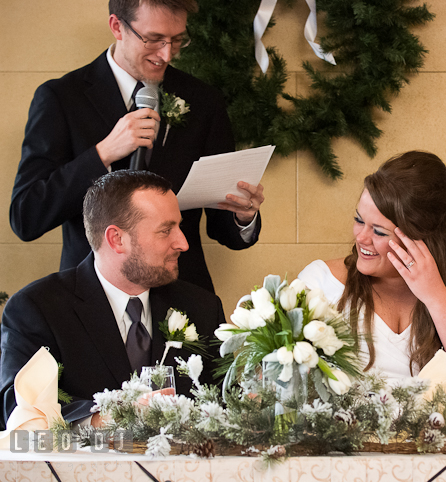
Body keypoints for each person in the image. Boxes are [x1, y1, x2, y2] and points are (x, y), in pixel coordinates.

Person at [9, 0, 264, 294]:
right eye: (154, 39)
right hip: (89, 302)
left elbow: (224, 229)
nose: (167, 54)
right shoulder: (61, 98)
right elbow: (27, 216)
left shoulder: (204, 101)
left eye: (177, 40)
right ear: (117, 26)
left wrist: (243, 216)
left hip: (184, 297)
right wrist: (103, 153)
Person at [0, 170, 226, 429]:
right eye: (166, 231)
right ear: (116, 239)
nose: (183, 243)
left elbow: (223, 401)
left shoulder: (202, 307)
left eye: (179, 226)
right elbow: (18, 409)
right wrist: (104, 419)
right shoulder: (38, 308)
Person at [298, 151, 446, 402]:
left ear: (422, 239)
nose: (360, 238)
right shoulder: (322, 282)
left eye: (379, 232)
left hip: (445, 440)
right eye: (359, 220)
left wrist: (435, 296)